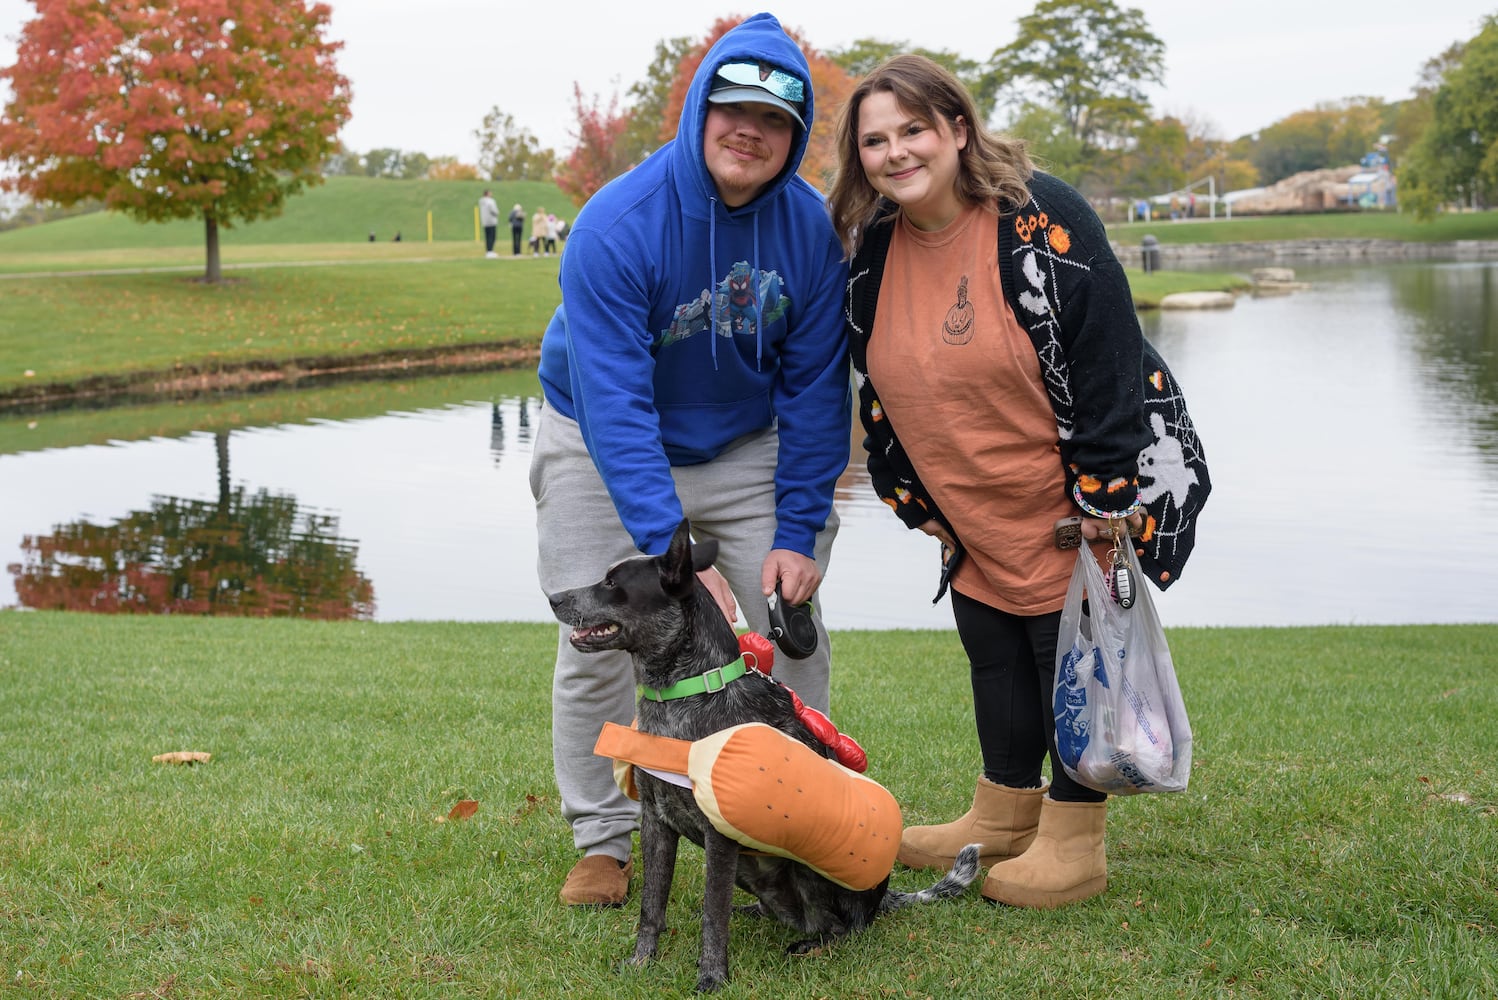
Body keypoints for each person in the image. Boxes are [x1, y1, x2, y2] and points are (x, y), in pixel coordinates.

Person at [828, 55, 1209, 909]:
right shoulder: (874, 246)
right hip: (969, 505)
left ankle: (1075, 841)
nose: (897, 153)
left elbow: (1109, 357)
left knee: (1068, 662)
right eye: (876, 140)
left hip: (1069, 503)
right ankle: (1002, 815)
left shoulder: (1042, 216)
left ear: (958, 129)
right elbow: (873, 372)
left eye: (914, 130)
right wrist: (906, 493)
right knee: (992, 653)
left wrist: (1107, 498)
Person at [530, 12, 851, 908]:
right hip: (603, 441)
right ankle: (604, 836)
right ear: (699, 109)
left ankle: (781, 827)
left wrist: (798, 534)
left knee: (794, 628)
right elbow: (615, 404)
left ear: (793, 137)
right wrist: (672, 559)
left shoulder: (812, 233)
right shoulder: (615, 226)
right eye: (732, 106)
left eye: (775, 118)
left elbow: (820, 392)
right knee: (600, 636)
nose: (749, 129)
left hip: (747, 444)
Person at [479, 189, 500, 258]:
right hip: (491, 221)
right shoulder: (490, 201)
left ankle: (488, 251)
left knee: (487, 237)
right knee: (492, 237)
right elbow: (494, 210)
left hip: (485, 221)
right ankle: (490, 251)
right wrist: (497, 213)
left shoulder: (481, 202)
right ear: (487, 194)